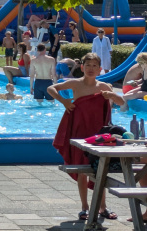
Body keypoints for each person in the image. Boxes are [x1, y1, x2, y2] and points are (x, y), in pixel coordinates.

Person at [47, 53, 125, 222]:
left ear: (99, 69)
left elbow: (121, 102)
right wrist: (64, 101)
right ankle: (85, 207)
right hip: (79, 132)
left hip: (98, 134)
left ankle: (103, 207)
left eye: (94, 66)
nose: (90, 68)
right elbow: (51, 88)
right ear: (82, 67)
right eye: (87, 65)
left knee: (100, 169)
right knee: (82, 170)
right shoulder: (75, 83)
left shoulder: (103, 86)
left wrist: (111, 96)